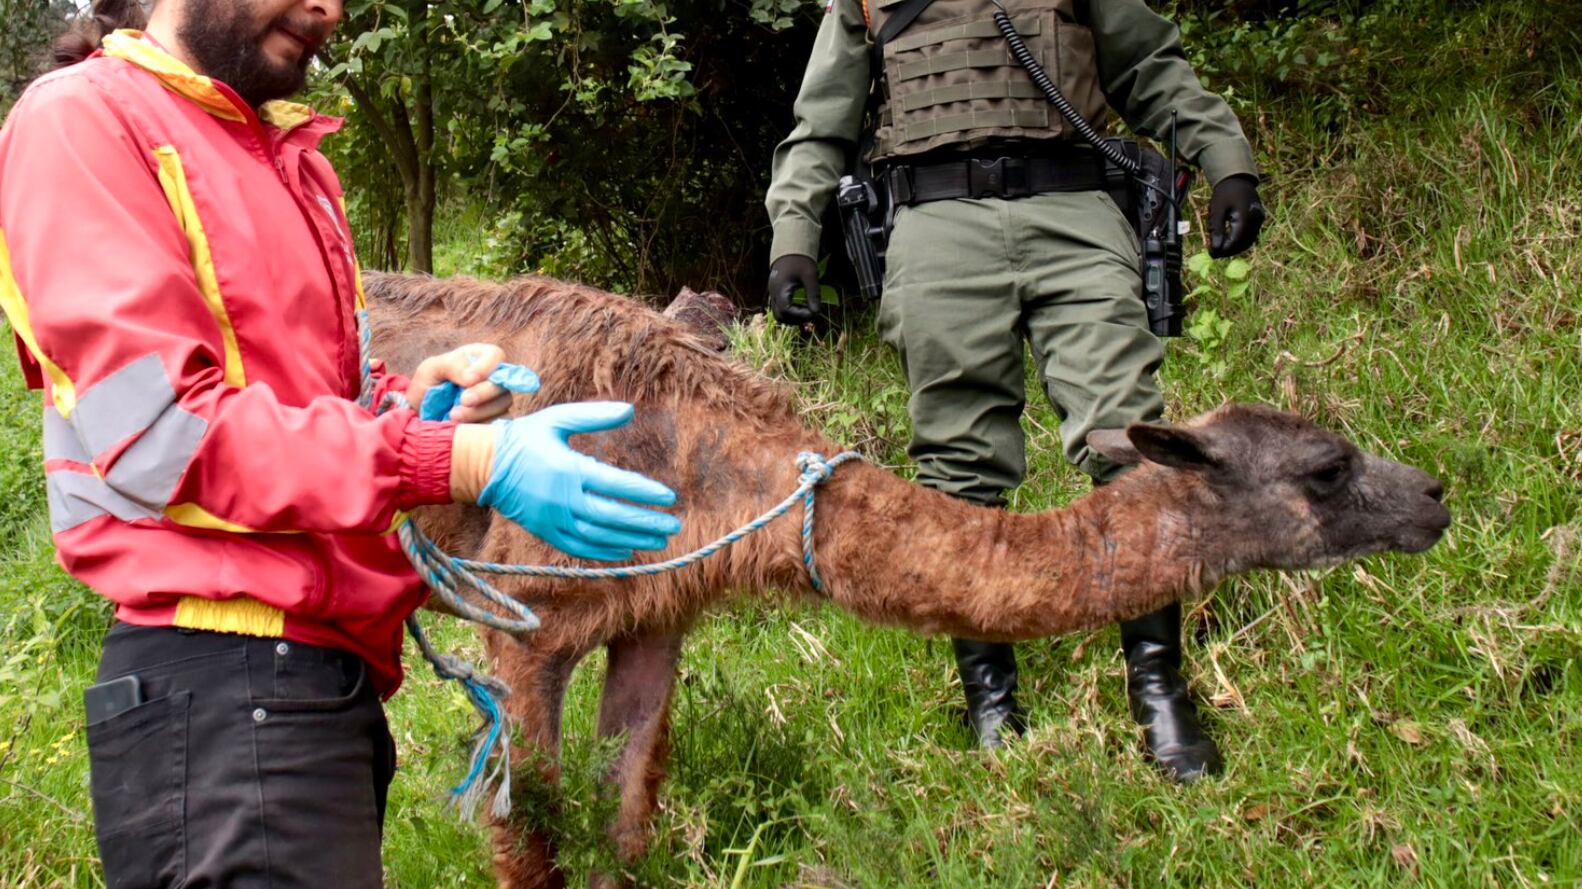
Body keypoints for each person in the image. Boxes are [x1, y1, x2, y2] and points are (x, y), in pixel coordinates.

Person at [0, 0, 683, 884]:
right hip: (219, 690)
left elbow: (322, 399)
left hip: (323, 687)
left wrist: (422, 405)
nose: (330, 9)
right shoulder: (85, 122)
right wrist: (458, 461)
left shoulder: (295, 162)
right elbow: (162, 433)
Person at [763, 0, 1265, 782]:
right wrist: (793, 237)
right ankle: (991, 702)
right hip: (936, 222)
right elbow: (822, 124)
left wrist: (1225, 160)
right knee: (957, 466)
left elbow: (1147, 65)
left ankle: (1160, 692)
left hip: (1075, 210)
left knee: (1132, 441)